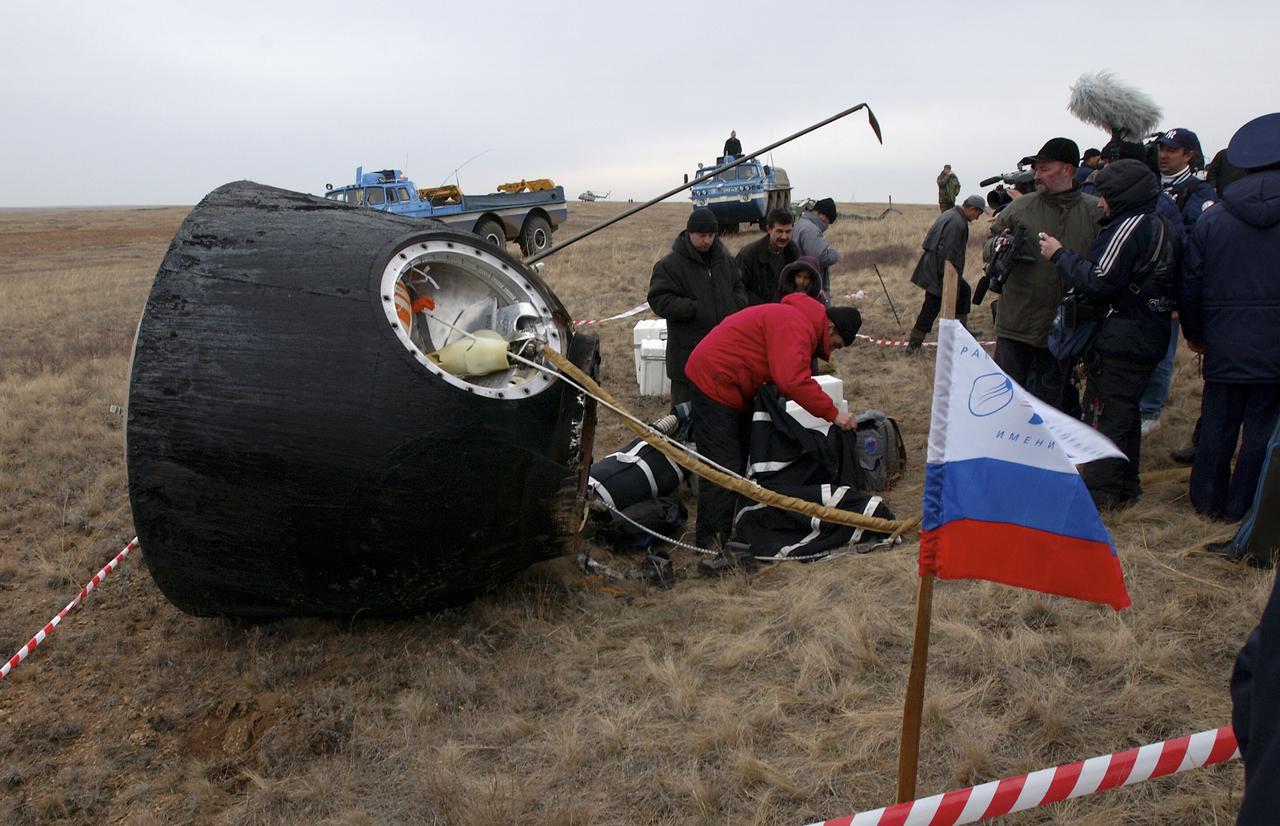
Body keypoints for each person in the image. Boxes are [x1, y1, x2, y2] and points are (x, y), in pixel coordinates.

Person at [1038, 159, 1179, 509]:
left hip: (1123, 338)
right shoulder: (1162, 223)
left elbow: (1100, 280)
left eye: (1104, 196)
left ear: (1122, 197)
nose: (1100, 203)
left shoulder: (1130, 226)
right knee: (1125, 414)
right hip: (1148, 333)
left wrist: (1060, 255)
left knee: (1103, 415)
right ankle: (1126, 486)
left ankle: (1100, 498)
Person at [683, 296, 862, 548]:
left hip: (733, 384)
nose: (831, 351)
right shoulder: (797, 325)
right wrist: (833, 414)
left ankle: (730, 528)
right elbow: (793, 380)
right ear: (831, 328)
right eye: (837, 344)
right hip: (714, 380)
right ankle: (711, 544)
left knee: (738, 460)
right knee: (723, 466)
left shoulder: (797, 321)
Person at [1180, 112, 1280, 523]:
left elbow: (1190, 283)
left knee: (1218, 425)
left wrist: (1198, 335)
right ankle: (1246, 507)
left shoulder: (1213, 217)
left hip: (1224, 343)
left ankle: (1207, 504)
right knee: (1262, 430)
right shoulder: (1212, 216)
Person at [985, 137, 1103, 410]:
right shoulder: (1020, 208)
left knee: (1051, 404)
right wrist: (998, 248)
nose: (1037, 175)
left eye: (1045, 169)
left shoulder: (1094, 212)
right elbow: (989, 243)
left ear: (1068, 170)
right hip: (1017, 324)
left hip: (1065, 330)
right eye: (1036, 169)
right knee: (1006, 401)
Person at [1138, 127, 1220, 433]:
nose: (1163, 155)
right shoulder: (1150, 185)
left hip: (1170, 286)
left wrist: (1178, 295)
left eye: (1172, 150)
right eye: (1161, 149)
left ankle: (1151, 411)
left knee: (1161, 349)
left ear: (1189, 155)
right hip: (1140, 284)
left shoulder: (1198, 193)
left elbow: (1193, 246)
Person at [647, 207, 748, 410]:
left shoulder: (725, 260)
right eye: (702, 236)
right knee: (684, 413)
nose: (707, 241)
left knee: (719, 411)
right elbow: (658, 298)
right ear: (690, 233)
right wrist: (691, 308)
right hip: (687, 352)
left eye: (711, 235)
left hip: (723, 353)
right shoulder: (669, 265)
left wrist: (735, 306)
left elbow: (739, 287)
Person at [907, 194, 985, 351]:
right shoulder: (957, 223)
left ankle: (962, 332)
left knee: (964, 292)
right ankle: (914, 345)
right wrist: (946, 281)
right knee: (931, 307)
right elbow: (947, 253)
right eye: (978, 213)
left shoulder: (952, 215)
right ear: (971, 208)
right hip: (939, 270)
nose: (977, 218)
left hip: (938, 267)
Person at [735, 208, 798, 305]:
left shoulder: (792, 252)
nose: (784, 237)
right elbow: (738, 289)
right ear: (769, 229)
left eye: (788, 231)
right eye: (779, 231)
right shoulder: (748, 255)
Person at [792, 197, 839, 294]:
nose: (827, 226)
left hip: (798, 280)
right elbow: (820, 257)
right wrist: (834, 254)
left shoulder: (800, 223)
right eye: (827, 221)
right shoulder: (811, 230)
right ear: (822, 215)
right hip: (807, 284)